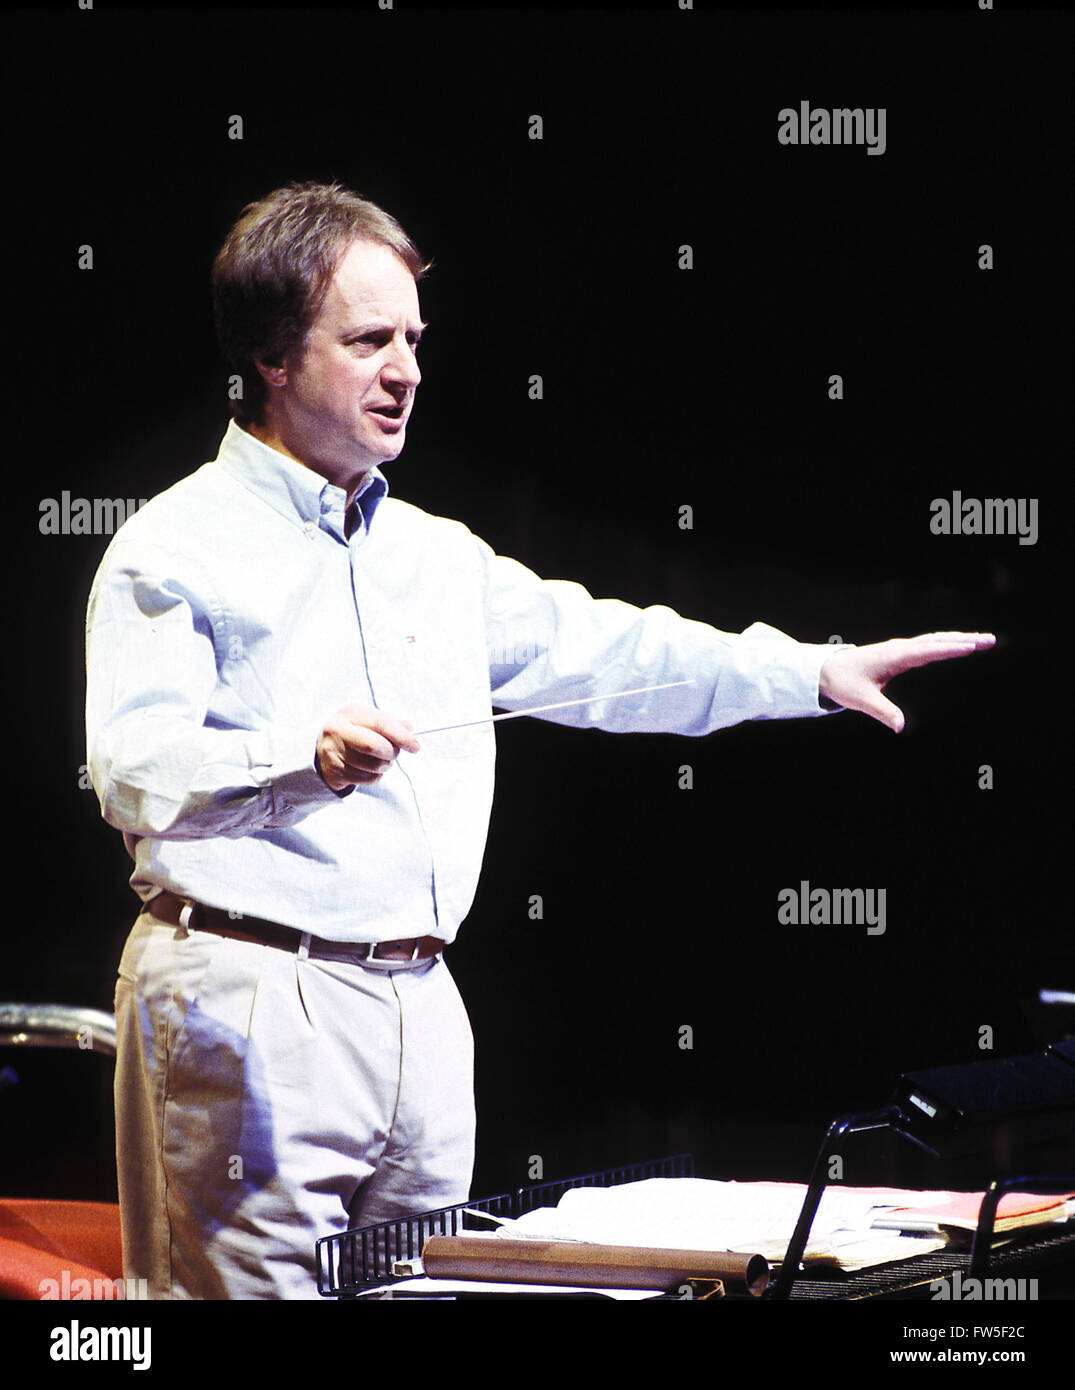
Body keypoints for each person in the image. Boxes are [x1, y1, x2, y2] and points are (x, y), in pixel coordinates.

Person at [85, 181, 994, 1299]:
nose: (407, 369)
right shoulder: (176, 545)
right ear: (273, 356)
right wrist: (300, 755)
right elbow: (134, 772)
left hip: (420, 1002)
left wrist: (808, 671)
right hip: (252, 996)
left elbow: (612, 655)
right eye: (369, 340)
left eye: (414, 338)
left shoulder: (434, 553)